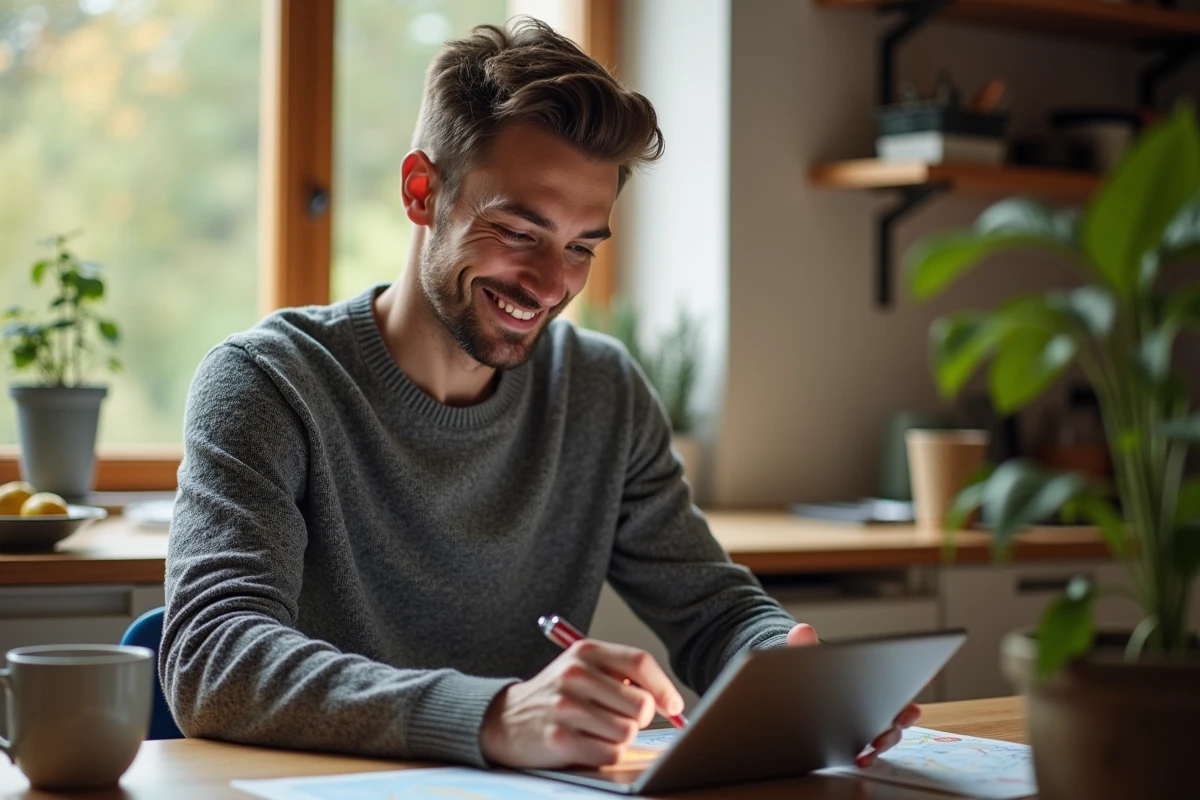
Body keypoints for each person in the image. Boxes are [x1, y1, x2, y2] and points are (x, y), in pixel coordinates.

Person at [161, 17, 920, 771]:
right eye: (521, 233)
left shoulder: (601, 391)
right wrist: (491, 715)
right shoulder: (266, 383)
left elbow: (712, 610)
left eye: (582, 246)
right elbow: (212, 657)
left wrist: (786, 667)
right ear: (423, 192)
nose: (552, 284)